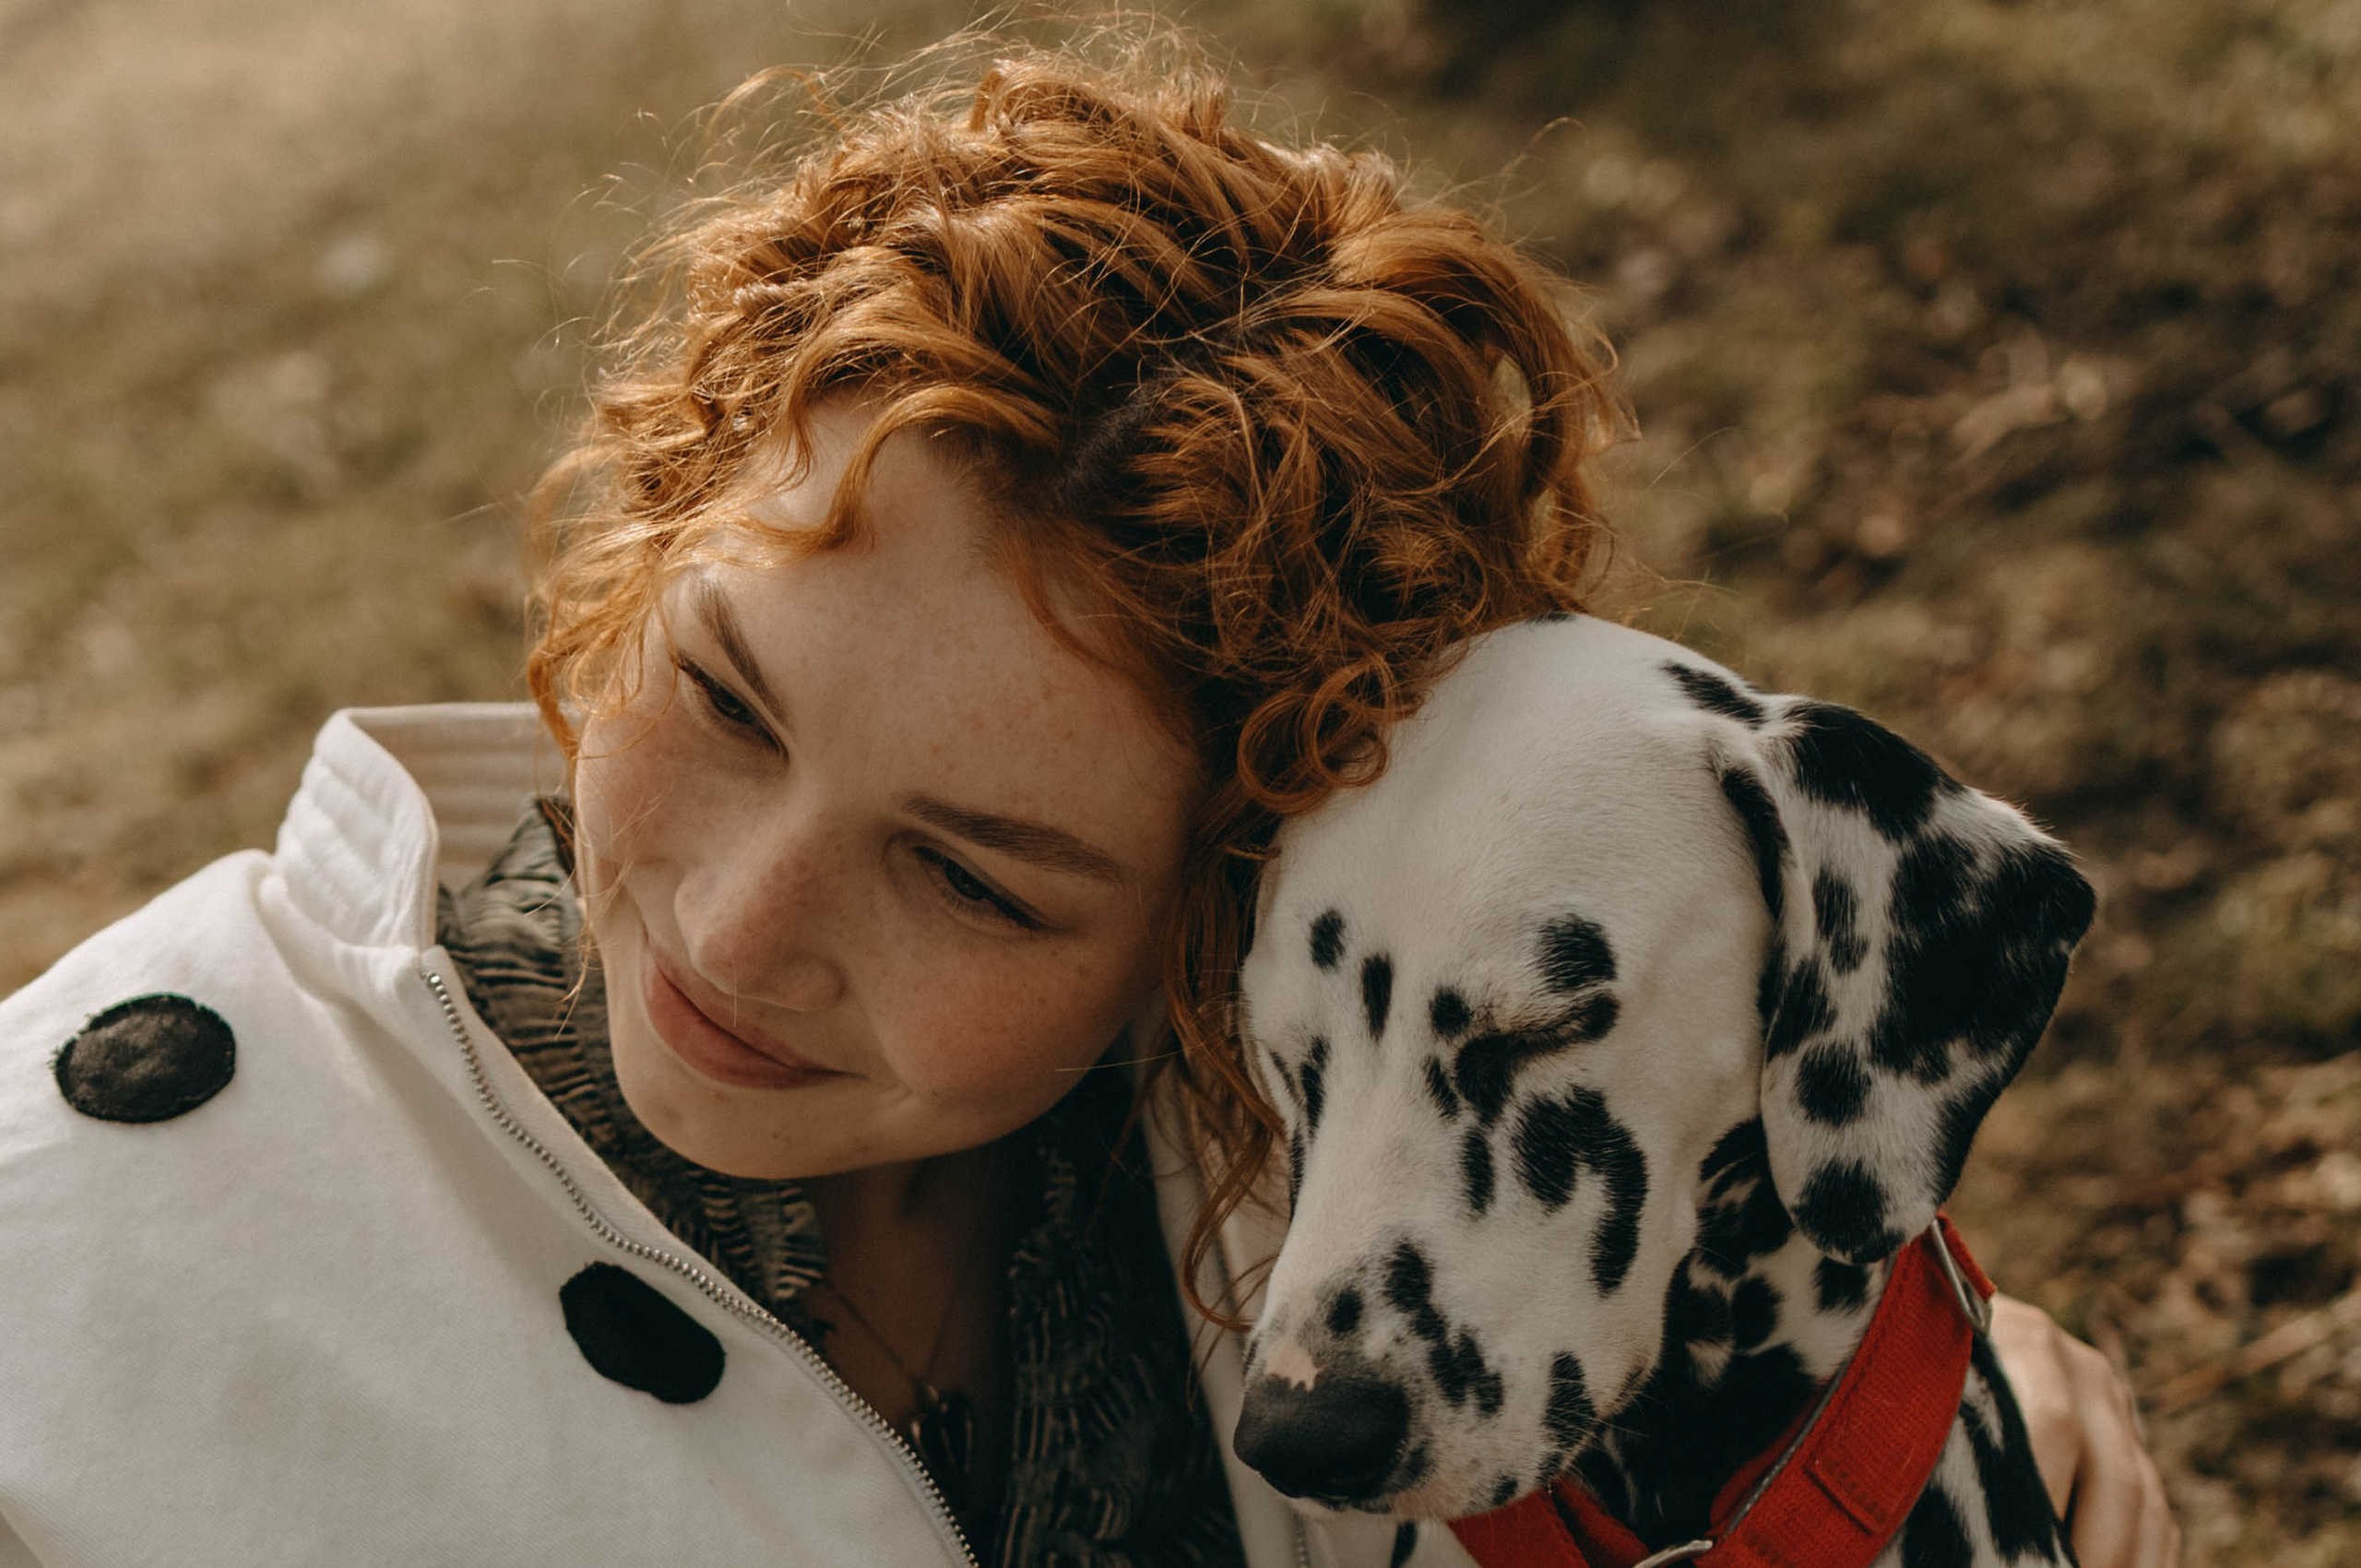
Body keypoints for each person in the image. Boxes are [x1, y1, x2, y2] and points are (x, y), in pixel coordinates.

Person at [0, 32, 2177, 1568]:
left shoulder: (1298, 1162)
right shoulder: (75, 1253)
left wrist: (1932, 1394)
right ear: (653, 522)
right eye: (724, 699)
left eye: (972, 876)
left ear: (1229, 916)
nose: (737, 934)